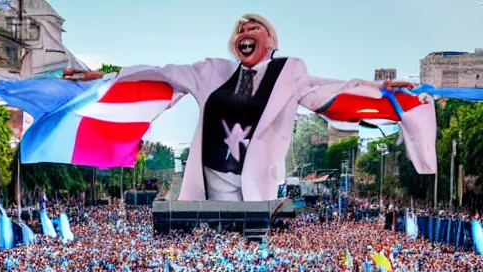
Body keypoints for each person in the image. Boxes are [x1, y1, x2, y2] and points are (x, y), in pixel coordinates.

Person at [64, 14, 414, 202]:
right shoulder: (211, 71)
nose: (245, 33)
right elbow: (159, 72)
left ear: (271, 40)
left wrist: (381, 89)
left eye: (254, 28)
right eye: (240, 30)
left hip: (255, 187)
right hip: (211, 184)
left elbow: (331, 89)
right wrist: (102, 77)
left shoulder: (289, 73)